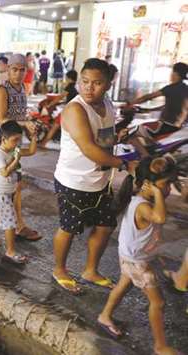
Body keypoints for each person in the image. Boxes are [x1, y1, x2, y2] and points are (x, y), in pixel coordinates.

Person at [52, 58, 138, 294]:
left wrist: (120, 133)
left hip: (100, 181)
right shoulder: (75, 109)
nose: (89, 87)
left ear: (108, 84)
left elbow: (105, 137)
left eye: (97, 83)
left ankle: (90, 270)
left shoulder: (107, 104)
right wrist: (125, 164)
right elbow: (90, 149)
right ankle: (59, 269)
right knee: (69, 227)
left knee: (105, 225)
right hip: (74, 181)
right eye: (85, 81)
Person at [98, 157, 179, 355]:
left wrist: (157, 191)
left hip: (132, 258)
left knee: (123, 285)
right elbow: (160, 217)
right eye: (165, 184)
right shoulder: (143, 206)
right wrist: (158, 194)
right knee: (158, 303)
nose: (169, 189)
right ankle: (160, 346)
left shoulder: (140, 200)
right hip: (136, 263)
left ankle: (104, 316)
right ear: (149, 186)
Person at [0, 53, 40, 241]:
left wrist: (28, 125)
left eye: (22, 70)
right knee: (13, 184)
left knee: (2, 183)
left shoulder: (22, 88)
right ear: (8, 70)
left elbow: (19, 116)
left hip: (14, 141)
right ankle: (18, 225)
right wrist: (25, 123)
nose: (18, 73)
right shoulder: (2, 90)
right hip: (2, 143)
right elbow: (1, 120)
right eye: (14, 69)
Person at [0, 120, 37, 263]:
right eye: (15, 140)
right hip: (1, 192)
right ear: (3, 139)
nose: (17, 143)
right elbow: (4, 172)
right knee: (10, 221)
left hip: (8, 191)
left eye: (19, 139)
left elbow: (31, 151)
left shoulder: (13, 150)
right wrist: (15, 159)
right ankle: (10, 251)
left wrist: (34, 137)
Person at [124, 62, 188, 138]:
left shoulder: (171, 88)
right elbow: (173, 106)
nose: (170, 74)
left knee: (133, 132)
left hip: (165, 125)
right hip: (178, 127)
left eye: (172, 72)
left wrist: (130, 103)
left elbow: (148, 97)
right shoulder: (185, 88)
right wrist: (150, 110)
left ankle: (144, 150)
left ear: (175, 73)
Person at [40, 69, 78, 147]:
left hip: (69, 111)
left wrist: (50, 105)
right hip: (73, 109)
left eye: (66, 78)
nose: (65, 80)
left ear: (69, 78)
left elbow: (60, 97)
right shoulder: (75, 87)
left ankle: (43, 143)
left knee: (55, 125)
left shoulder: (69, 87)